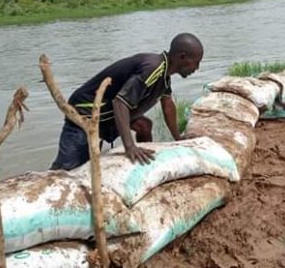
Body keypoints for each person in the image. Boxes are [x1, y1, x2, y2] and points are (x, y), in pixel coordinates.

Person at [50, 33, 204, 170]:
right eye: (195, 62)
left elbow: (167, 105)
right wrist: (129, 146)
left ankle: (145, 165)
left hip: (107, 116)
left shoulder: (164, 77)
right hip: (85, 114)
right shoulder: (152, 68)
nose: (197, 68)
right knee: (67, 169)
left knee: (144, 125)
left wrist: (178, 138)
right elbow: (120, 102)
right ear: (182, 57)